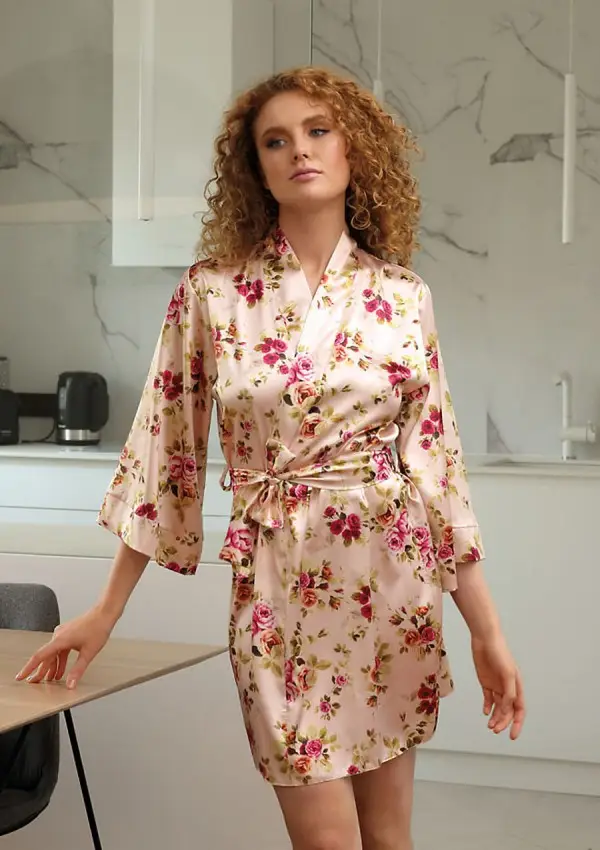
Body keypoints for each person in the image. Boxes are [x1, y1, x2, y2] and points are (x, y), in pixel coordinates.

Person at [17, 67, 525, 850]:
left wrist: (487, 633)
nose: (300, 151)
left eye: (318, 131)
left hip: (391, 584)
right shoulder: (211, 293)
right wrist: (105, 611)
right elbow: (164, 455)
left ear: (355, 149)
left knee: (389, 838)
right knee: (326, 841)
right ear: (255, 167)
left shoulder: (402, 296)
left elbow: (437, 471)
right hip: (278, 586)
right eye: (276, 141)